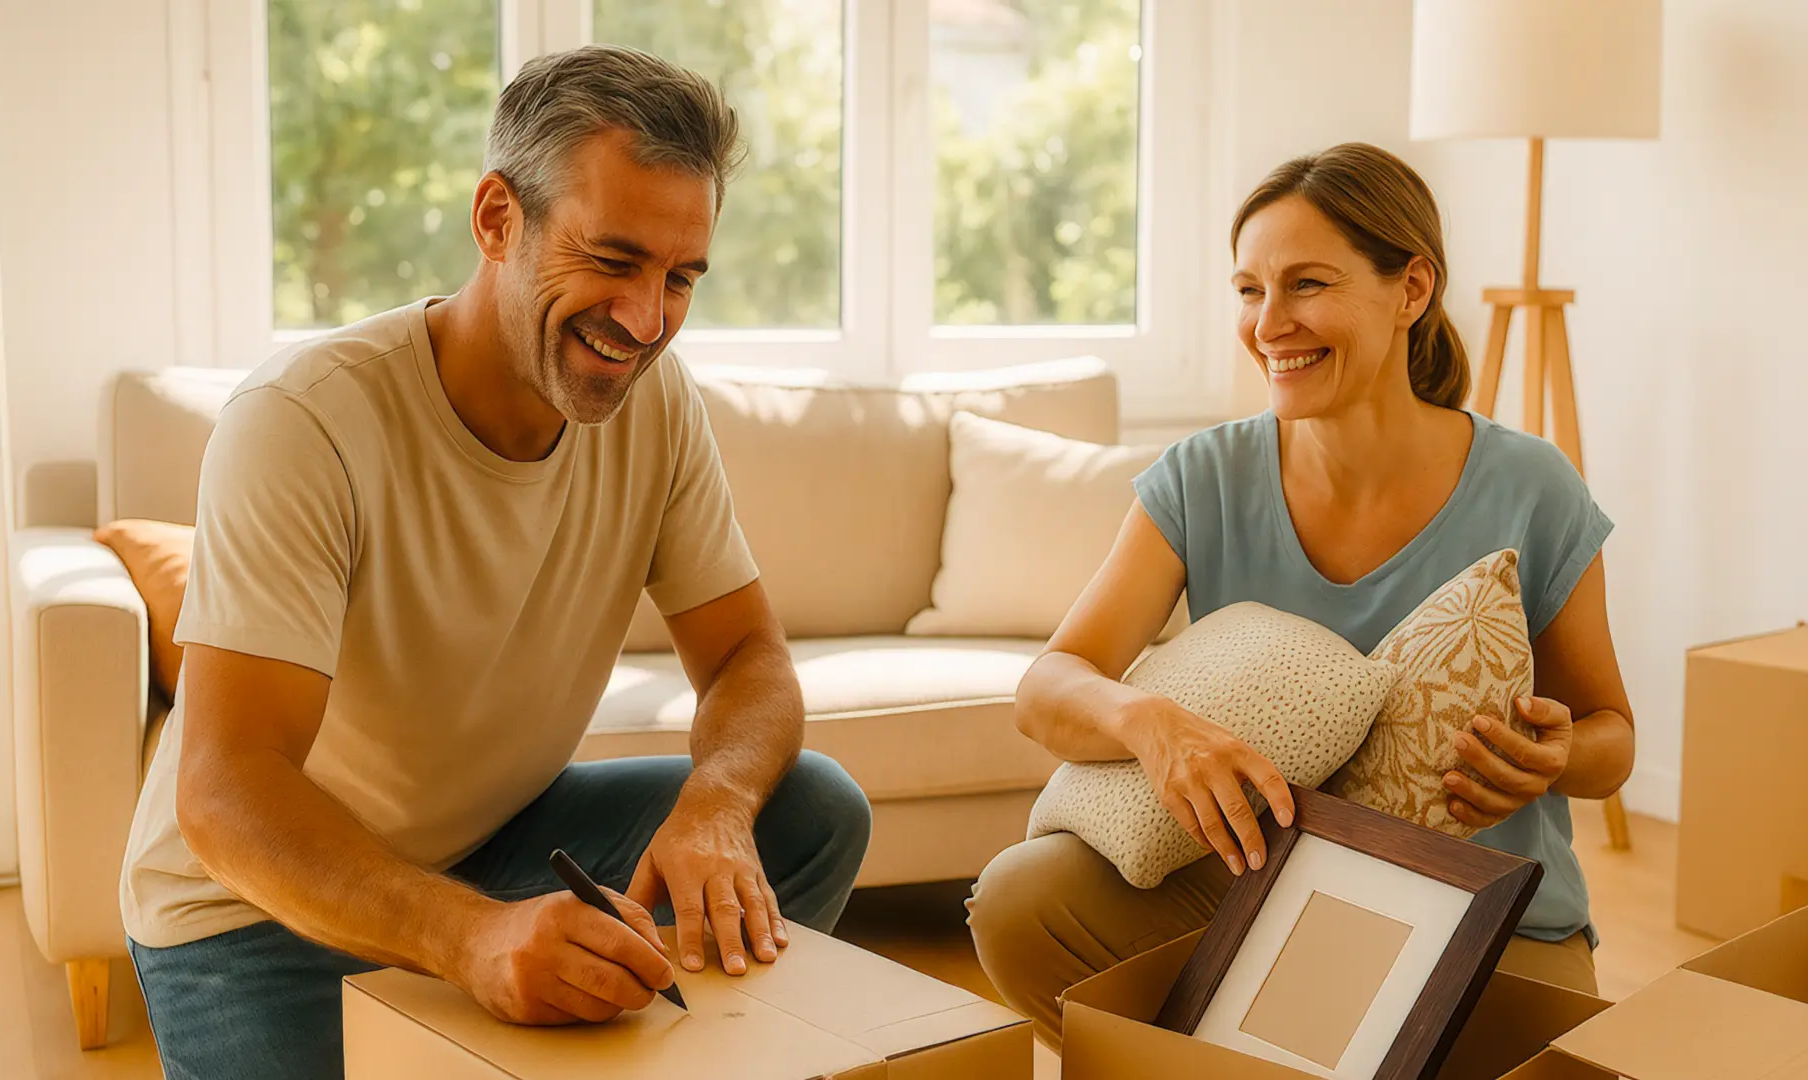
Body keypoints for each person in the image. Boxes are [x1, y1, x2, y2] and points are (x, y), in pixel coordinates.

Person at [120, 46, 871, 1079]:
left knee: (809, 809)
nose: (648, 320)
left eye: (680, 277)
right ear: (495, 221)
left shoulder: (656, 406)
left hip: (490, 846)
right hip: (252, 911)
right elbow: (226, 792)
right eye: (612, 261)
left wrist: (718, 805)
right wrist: (471, 940)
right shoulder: (303, 422)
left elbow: (748, 654)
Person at [967, 142, 1634, 1050]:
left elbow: (1612, 738)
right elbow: (1049, 685)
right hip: (1261, 890)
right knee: (1019, 901)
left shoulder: (1532, 486)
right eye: (1249, 291)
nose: (1269, 323)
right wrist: (1152, 724)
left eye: (1307, 285)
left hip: (1483, 905)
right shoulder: (1205, 477)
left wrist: (1556, 758)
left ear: (1411, 290)